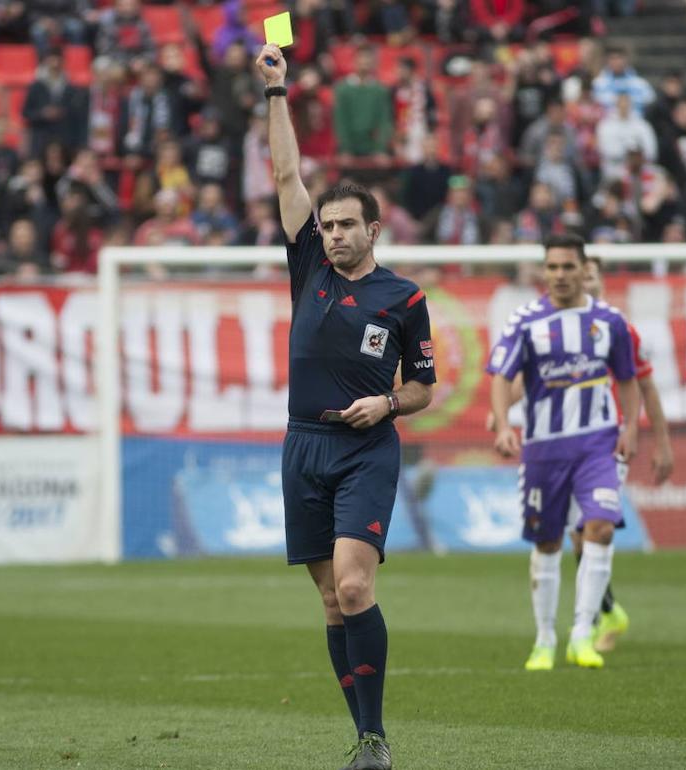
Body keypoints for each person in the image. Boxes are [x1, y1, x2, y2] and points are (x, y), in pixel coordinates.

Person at [256, 44, 437, 770]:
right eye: (325, 226)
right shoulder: (307, 269)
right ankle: (364, 733)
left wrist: (387, 405)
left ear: (373, 230)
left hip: (365, 448)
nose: (331, 235)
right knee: (332, 603)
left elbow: (424, 387)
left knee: (357, 585)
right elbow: (284, 173)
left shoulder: (404, 298)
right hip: (302, 446)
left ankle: (375, 739)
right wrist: (276, 92)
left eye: (343, 226)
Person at [488, 254, 673, 658]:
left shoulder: (615, 325)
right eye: (573, 273)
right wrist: (500, 414)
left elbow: (645, 385)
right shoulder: (541, 323)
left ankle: (585, 627)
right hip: (550, 445)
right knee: (570, 535)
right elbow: (531, 379)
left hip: (605, 443)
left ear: (598, 280)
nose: (579, 282)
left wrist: (657, 439)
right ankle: (602, 612)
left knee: (596, 527)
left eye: (587, 275)